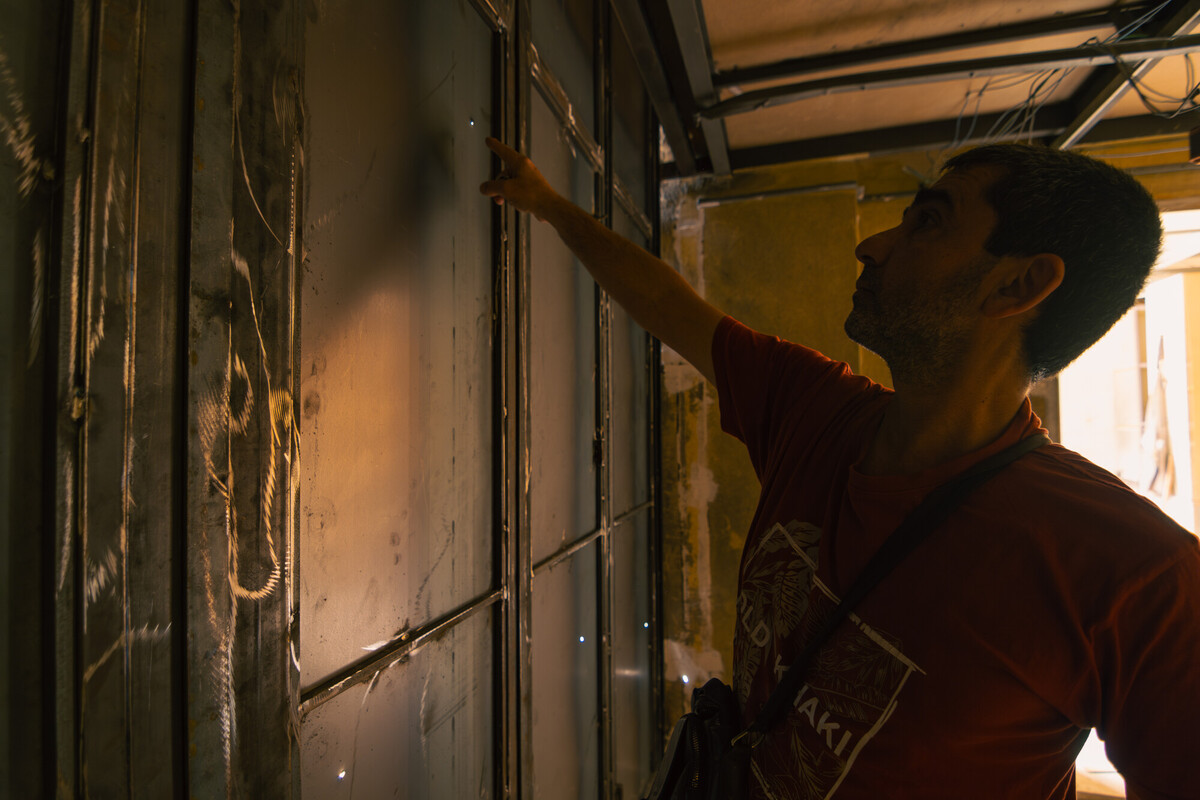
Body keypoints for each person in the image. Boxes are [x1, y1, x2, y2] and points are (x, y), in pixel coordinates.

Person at [480, 137, 1200, 799]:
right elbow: (667, 305)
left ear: (1017, 287)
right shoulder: (816, 411)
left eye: (928, 224)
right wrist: (548, 205)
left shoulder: (1133, 575)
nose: (872, 245)